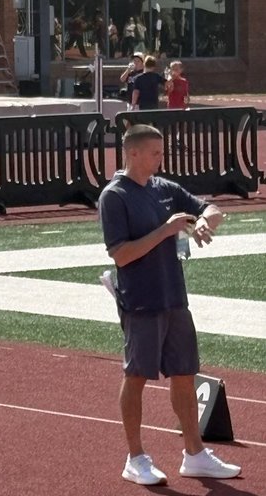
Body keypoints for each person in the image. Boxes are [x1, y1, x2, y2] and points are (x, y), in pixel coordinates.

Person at [98, 123, 241, 485]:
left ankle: (194, 454)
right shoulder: (115, 196)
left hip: (174, 297)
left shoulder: (165, 189)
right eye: (155, 152)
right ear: (133, 153)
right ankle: (136, 457)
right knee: (137, 376)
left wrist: (205, 223)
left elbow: (211, 208)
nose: (161, 159)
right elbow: (121, 255)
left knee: (184, 374)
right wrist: (166, 230)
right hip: (141, 301)